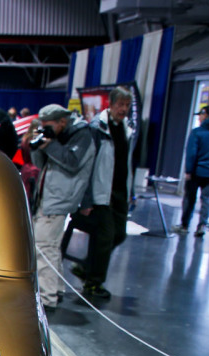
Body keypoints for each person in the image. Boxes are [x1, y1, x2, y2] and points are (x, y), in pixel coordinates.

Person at [71, 87, 135, 300]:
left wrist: (130, 191)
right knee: (105, 236)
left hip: (120, 192)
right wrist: (86, 200)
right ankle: (93, 283)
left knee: (119, 234)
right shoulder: (97, 129)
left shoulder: (126, 129)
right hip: (101, 194)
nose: (124, 109)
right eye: (120, 105)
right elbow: (87, 166)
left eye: (127, 105)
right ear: (111, 104)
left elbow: (127, 163)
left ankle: (89, 268)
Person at [30, 104, 96, 310]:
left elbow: (72, 161)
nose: (46, 130)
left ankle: (47, 298)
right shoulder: (57, 139)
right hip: (47, 196)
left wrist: (50, 144)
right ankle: (56, 290)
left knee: (43, 247)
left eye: (48, 126)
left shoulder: (81, 135)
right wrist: (38, 145)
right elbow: (41, 165)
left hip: (59, 199)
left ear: (62, 122)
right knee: (52, 247)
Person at [176, 105, 209, 236]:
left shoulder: (197, 132)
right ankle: (202, 226)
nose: (199, 118)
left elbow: (191, 153)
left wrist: (189, 171)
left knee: (190, 198)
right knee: (207, 199)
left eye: (200, 115)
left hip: (196, 172)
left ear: (204, 115)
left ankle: (184, 225)